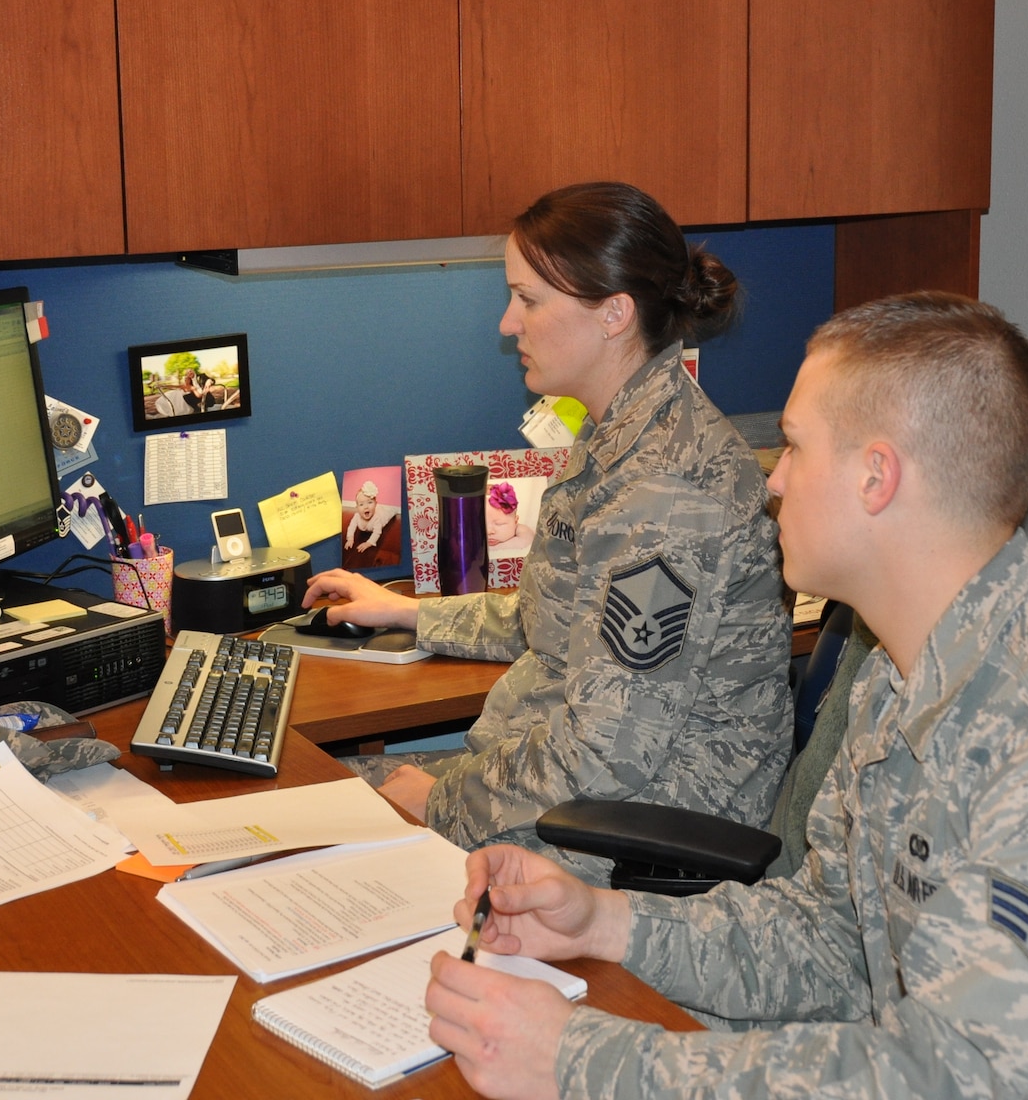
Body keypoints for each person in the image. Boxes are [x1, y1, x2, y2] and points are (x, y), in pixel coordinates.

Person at [422, 293, 1028, 1100]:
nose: (771, 480)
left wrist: (579, 1060)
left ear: (877, 477)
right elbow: (832, 940)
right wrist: (601, 923)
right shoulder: (898, 672)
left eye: (795, 447)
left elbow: (951, 1080)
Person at [304, 182, 794, 881]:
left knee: (315, 841)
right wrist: (409, 614)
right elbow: (559, 618)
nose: (508, 323)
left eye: (528, 299)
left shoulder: (665, 490)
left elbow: (607, 752)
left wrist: (442, 802)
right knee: (307, 803)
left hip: (634, 828)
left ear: (614, 314)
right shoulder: (619, 431)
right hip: (565, 784)